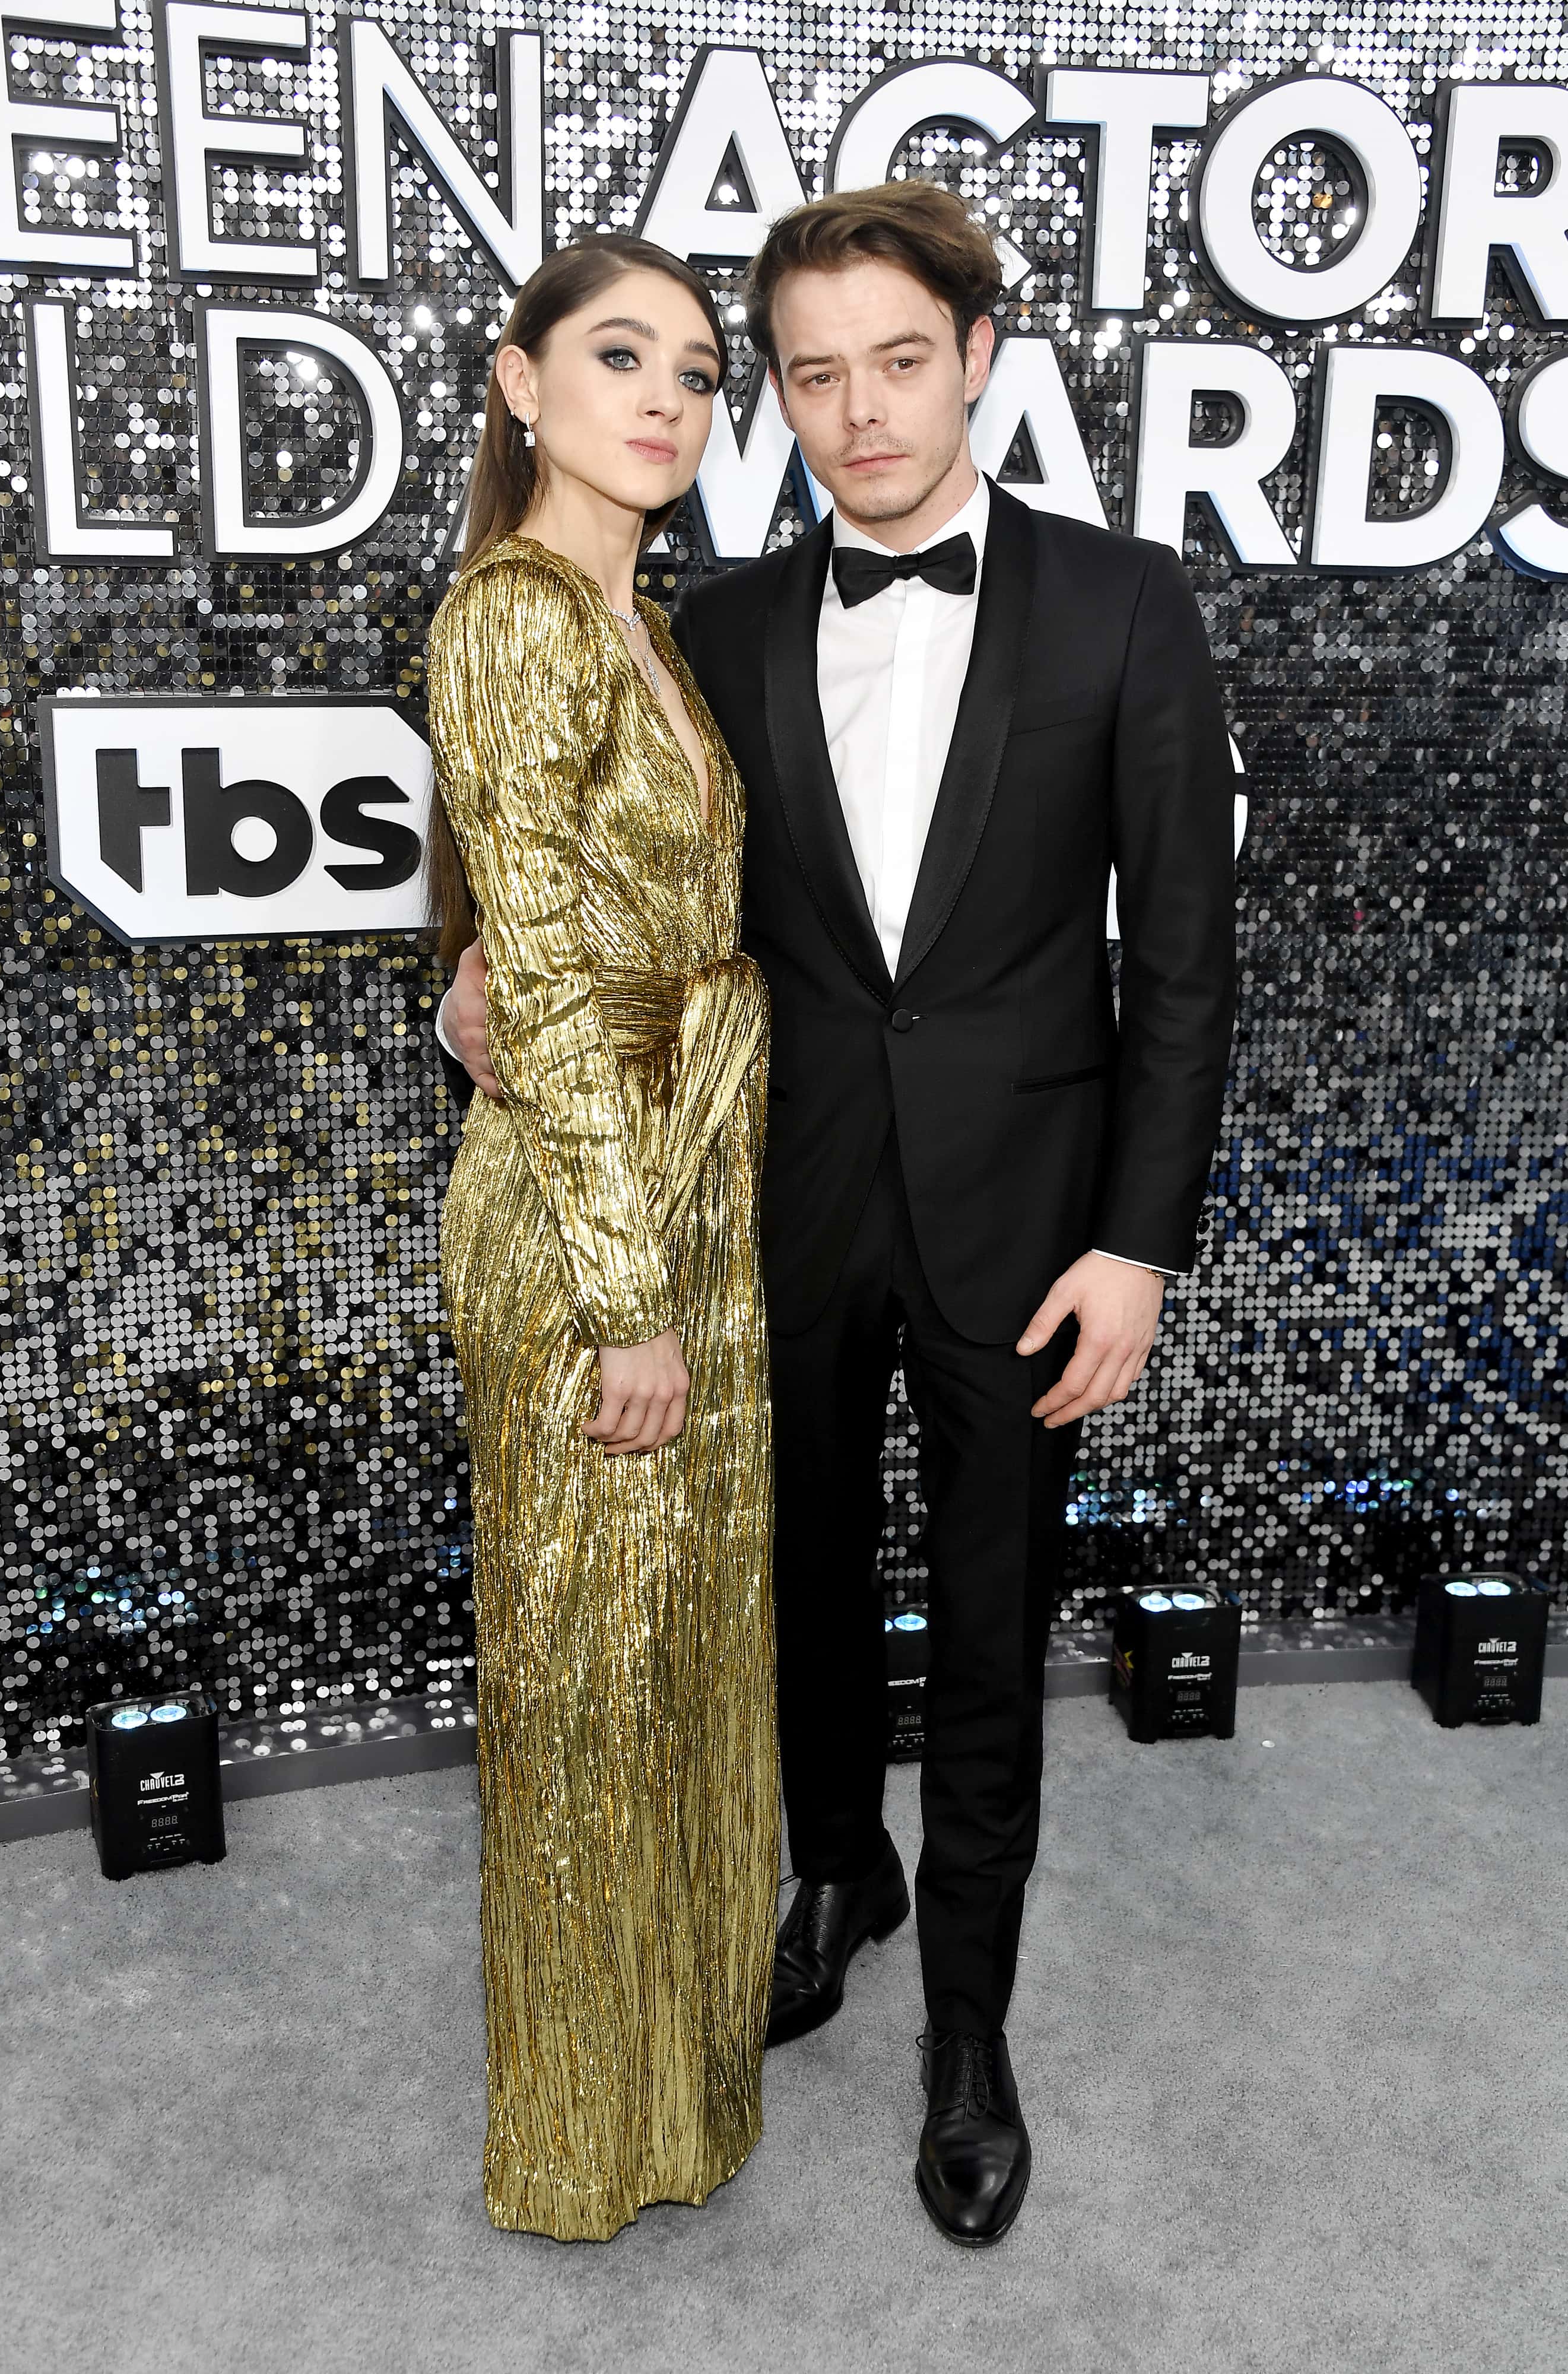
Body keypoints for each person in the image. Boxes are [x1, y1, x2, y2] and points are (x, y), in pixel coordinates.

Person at [439, 182, 1237, 2247]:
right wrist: (483, 983)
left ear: (976, 359)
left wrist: (1136, 1243)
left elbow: (1188, 962)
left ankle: (965, 2026)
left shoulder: (1125, 604)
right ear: (775, 403)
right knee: (783, 1597)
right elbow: (614, 893)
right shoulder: (709, 626)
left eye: (900, 360)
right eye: (808, 374)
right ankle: (835, 1871)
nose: (860, 410)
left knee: (986, 1630)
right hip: (760, 1226)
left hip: (1028, 1231)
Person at [423, 233, 779, 2243]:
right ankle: (576, 2142)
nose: (665, 396)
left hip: (685, 1186)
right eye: (620, 354)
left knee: (672, 1672)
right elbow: (550, 968)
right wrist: (627, 1298)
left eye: (701, 373)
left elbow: (561, 930)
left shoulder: (640, 625)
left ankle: (672, 2106)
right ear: (519, 382)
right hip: (591, 1237)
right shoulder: (514, 617)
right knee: (583, 1690)